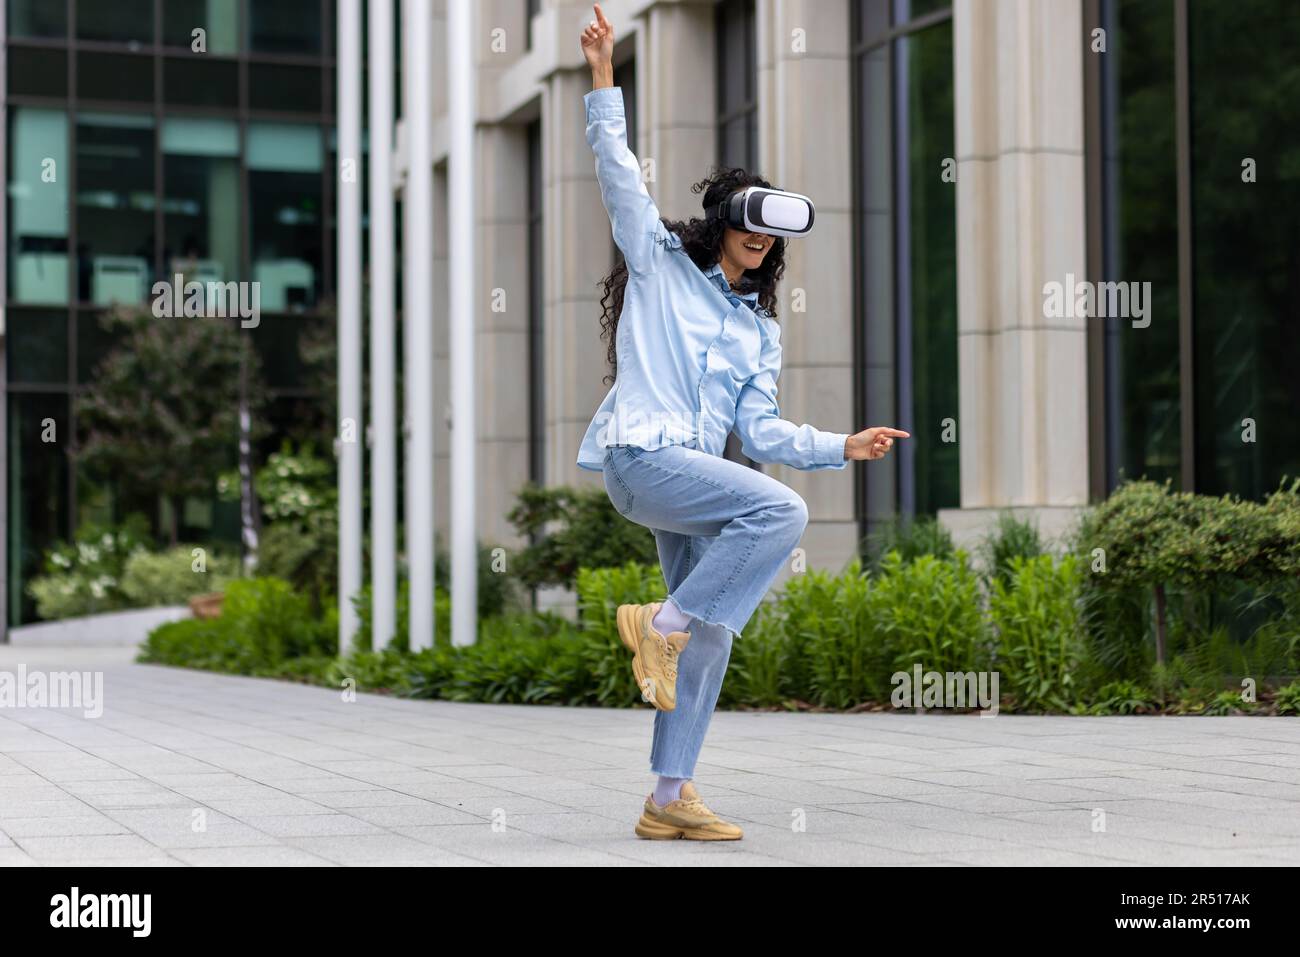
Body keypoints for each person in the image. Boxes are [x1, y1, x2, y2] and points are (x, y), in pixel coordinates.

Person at [578, 3, 908, 841]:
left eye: (771, 235)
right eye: (749, 224)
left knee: (714, 630)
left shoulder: (761, 332)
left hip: (691, 482)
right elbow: (619, 173)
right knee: (780, 510)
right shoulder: (658, 265)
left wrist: (842, 444)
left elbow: (759, 434)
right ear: (724, 222)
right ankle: (657, 624)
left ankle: (667, 796)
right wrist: (603, 78)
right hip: (642, 457)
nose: (760, 241)